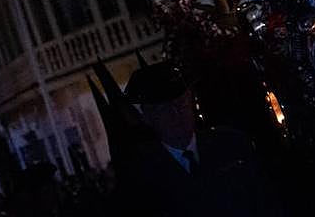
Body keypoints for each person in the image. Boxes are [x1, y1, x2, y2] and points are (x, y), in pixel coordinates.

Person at [115, 62, 282, 217]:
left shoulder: (231, 144)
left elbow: (266, 200)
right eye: (164, 110)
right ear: (148, 117)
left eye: (181, 104)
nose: (176, 115)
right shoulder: (142, 178)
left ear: (191, 102)